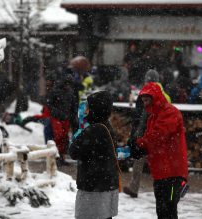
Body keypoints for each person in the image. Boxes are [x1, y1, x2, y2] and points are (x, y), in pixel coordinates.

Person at [131, 82, 188, 219]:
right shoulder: (153, 116)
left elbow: (158, 136)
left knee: (169, 209)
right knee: (162, 210)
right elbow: (152, 139)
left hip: (173, 173)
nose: (145, 104)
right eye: (143, 101)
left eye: (147, 100)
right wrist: (141, 147)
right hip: (161, 172)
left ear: (155, 97)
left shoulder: (170, 112)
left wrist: (139, 144)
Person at [69, 91, 120, 219]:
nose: (86, 110)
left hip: (93, 189)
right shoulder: (106, 126)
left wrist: (80, 128)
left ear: (94, 109)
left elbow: (73, 151)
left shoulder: (93, 130)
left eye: (88, 107)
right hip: (106, 185)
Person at [124, 69, 171, 198]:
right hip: (160, 132)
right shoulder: (165, 95)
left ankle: (134, 187)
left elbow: (142, 116)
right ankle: (173, 188)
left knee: (139, 159)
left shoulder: (147, 94)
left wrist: (137, 133)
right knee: (162, 162)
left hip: (147, 133)